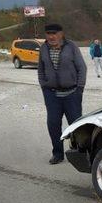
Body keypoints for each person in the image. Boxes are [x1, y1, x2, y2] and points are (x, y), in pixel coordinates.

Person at [38, 23, 87, 164]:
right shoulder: (43, 48)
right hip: (51, 95)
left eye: (55, 33)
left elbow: (82, 68)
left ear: (61, 34)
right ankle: (58, 153)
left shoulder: (71, 47)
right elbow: (40, 70)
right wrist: (44, 86)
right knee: (53, 124)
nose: (52, 36)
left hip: (72, 93)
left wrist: (80, 89)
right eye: (49, 33)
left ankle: (80, 151)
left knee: (76, 125)